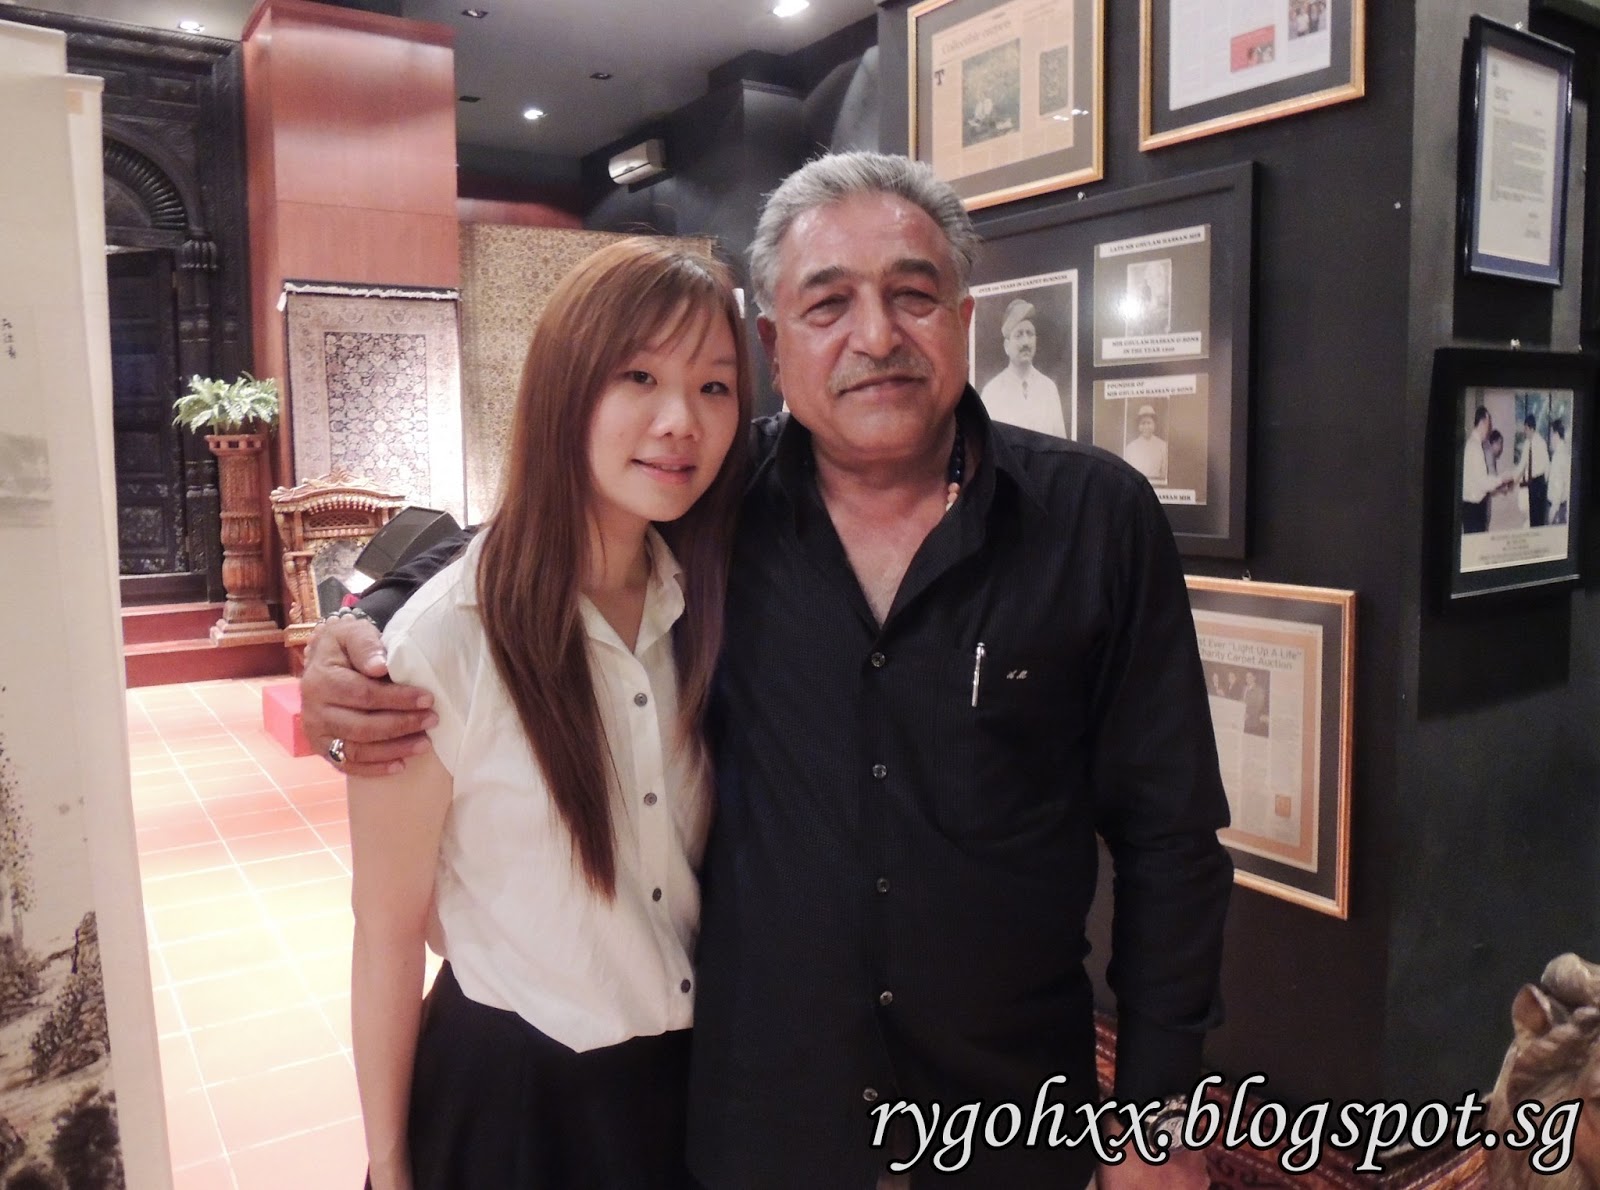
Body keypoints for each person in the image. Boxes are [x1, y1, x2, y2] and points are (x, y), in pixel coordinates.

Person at [305, 152, 1231, 1190]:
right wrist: (362, 622)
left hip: (1007, 1110)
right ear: (773, 344)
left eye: (913, 294)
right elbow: (543, 526)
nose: (875, 335)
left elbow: (1171, 839)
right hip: (768, 1119)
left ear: (964, 317)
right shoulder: (715, 496)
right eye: (827, 303)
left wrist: (1158, 1115)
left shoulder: (1094, 519)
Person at [345, 238, 750, 1189]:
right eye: (639, 376)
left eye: (715, 387)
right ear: (566, 386)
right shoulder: (448, 639)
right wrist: (389, 1164)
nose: (680, 421)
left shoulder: (710, 603)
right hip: (517, 1103)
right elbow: (387, 935)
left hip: (694, 1090)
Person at [977, 297, 1066, 437]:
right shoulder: (991, 392)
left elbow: (1060, 444)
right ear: (1006, 346)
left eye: (1029, 334)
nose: (1026, 342)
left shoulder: (1049, 389)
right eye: (1019, 335)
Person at [1461, 406, 1509, 534]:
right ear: (1482, 423)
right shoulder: (1475, 447)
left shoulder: (1473, 445)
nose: (1488, 430)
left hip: (1473, 508)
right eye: (1488, 425)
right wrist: (1501, 479)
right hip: (1473, 509)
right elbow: (1483, 483)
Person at [1123, 403, 1168, 484]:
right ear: (1138, 426)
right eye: (1143, 423)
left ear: (1154, 425)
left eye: (1149, 423)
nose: (1146, 427)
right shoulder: (1130, 447)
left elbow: (1164, 473)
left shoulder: (1163, 446)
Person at [1520, 412, 1551, 527]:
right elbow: (1523, 464)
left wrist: (1543, 483)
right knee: (1533, 517)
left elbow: (1547, 466)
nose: (1524, 432)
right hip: (1531, 483)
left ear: (1531, 428)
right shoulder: (1526, 444)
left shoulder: (1541, 443)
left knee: (1539, 518)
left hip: (1540, 483)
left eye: (1526, 429)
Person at [1549, 417, 1571, 525]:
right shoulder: (1565, 451)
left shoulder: (1558, 456)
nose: (1550, 439)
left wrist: (1552, 512)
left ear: (1556, 435)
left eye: (1551, 435)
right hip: (1562, 507)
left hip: (1557, 509)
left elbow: (1558, 487)